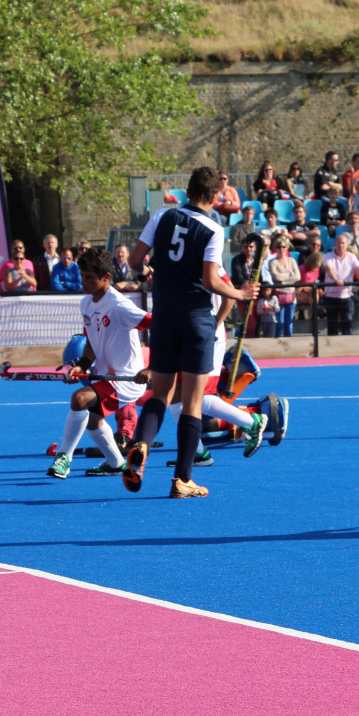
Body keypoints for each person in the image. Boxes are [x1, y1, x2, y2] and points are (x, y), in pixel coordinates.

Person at [122, 166, 260, 499]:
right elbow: (212, 281)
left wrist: (151, 273)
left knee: (160, 394)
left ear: (187, 190)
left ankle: (140, 444)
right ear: (214, 196)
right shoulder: (213, 228)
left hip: (164, 317)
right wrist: (241, 294)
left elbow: (135, 261)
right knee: (193, 402)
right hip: (196, 319)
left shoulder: (161, 216)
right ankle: (182, 479)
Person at [48, 250, 151, 481]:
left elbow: (160, 328)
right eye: (82, 276)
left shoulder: (119, 305)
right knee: (94, 422)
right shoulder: (86, 303)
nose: (83, 282)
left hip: (127, 378)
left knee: (79, 399)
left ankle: (64, 457)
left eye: (89, 277)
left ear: (106, 276)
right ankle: (116, 464)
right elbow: (91, 343)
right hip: (104, 375)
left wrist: (152, 367)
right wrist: (82, 365)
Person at [322, 232, 359, 335]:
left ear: (347, 245)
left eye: (343, 243)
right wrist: (336, 280)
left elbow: (358, 268)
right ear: (335, 244)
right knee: (332, 326)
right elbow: (329, 269)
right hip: (331, 296)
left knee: (347, 324)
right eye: (339, 243)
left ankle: (348, 349)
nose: (341, 245)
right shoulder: (328, 256)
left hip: (346, 296)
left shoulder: (351, 256)